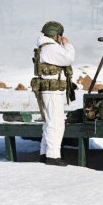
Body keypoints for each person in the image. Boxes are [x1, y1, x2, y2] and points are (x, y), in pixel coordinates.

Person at [30, 21, 75, 166]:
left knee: (49, 123)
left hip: (49, 90)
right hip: (52, 91)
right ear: (56, 35)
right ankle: (53, 156)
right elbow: (69, 58)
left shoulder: (45, 47)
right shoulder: (51, 48)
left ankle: (44, 153)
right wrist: (67, 44)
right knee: (56, 124)